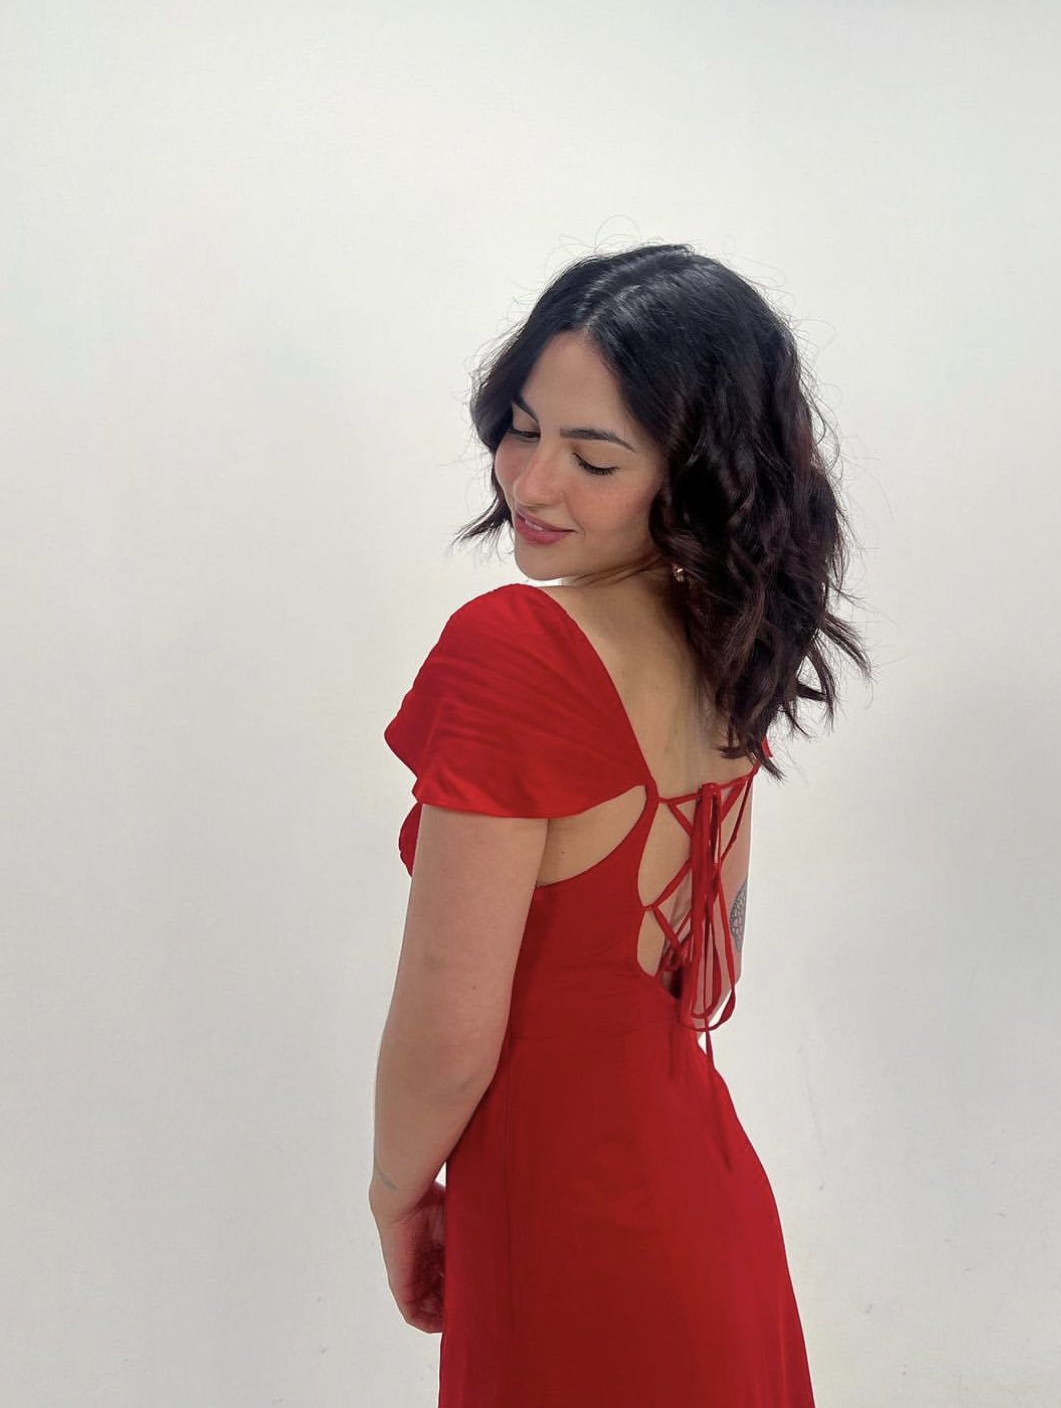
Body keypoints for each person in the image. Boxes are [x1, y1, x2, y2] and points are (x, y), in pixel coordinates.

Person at [368, 242, 872, 1406]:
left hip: (567, 1221)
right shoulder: (724, 642)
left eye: (594, 457)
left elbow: (450, 1037)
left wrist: (397, 1192)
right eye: (521, 428)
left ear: (693, 475)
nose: (532, 483)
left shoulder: (515, 651)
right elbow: (706, 962)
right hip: (705, 1195)